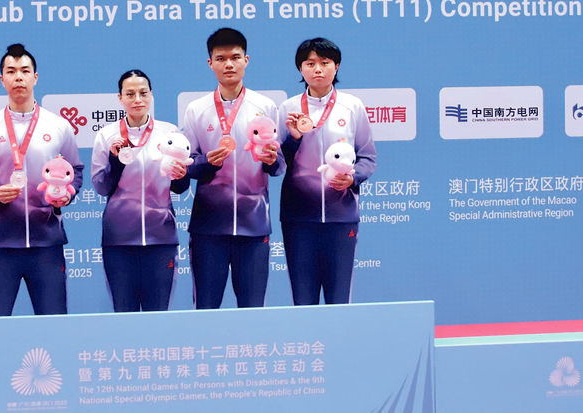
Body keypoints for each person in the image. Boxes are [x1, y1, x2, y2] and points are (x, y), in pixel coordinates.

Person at [0, 43, 84, 316]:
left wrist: (68, 194)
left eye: (25, 71)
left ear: (35, 77)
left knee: (54, 323)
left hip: (46, 244)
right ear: (2, 79)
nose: (19, 77)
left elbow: (76, 171)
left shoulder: (58, 125)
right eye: (11, 71)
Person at [181, 27, 284, 309]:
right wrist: (207, 162)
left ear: (246, 60)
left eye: (235, 57)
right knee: (205, 308)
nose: (229, 64)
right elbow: (186, 165)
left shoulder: (265, 106)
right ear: (210, 63)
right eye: (221, 58)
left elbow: (279, 166)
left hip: (254, 225)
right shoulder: (196, 109)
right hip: (208, 227)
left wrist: (272, 159)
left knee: (253, 310)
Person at [278, 37, 376, 305]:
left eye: (325, 62)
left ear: (337, 66)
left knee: (339, 298)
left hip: (341, 215)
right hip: (298, 217)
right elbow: (276, 163)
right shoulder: (288, 108)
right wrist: (294, 138)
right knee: (303, 299)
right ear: (300, 68)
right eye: (310, 64)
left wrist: (352, 178)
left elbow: (368, 157)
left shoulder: (352, 107)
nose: (318, 69)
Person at [91, 70, 189, 312]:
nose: (137, 99)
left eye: (143, 93)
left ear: (152, 95)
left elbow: (180, 187)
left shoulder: (169, 133)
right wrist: (115, 161)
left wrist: (181, 176)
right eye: (130, 94)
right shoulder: (107, 135)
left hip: (161, 239)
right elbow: (101, 186)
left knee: (159, 314)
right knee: (124, 313)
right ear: (120, 98)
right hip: (119, 241)